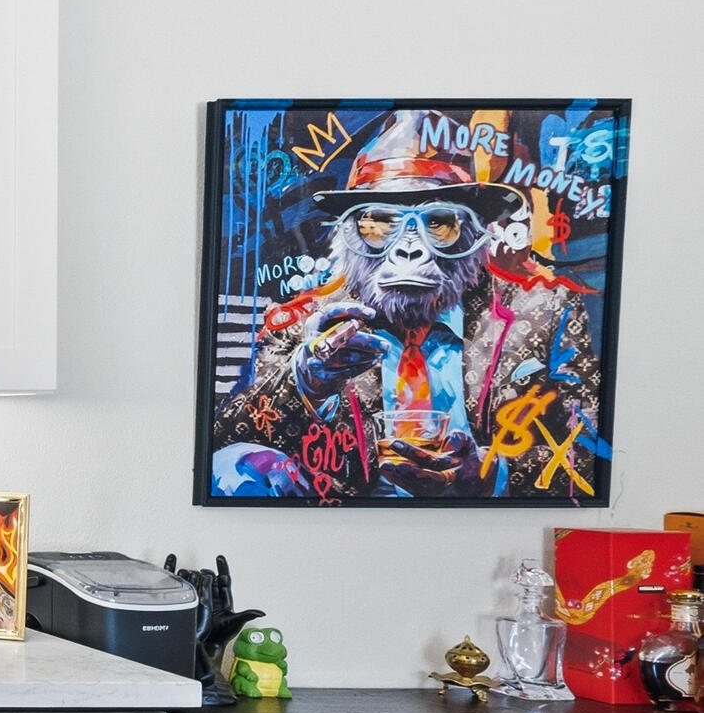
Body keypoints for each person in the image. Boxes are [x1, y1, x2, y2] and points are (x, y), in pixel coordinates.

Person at [211, 111, 604, 501]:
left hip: (484, 522)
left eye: (437, 224)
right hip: (343, 523)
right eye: (380, 224)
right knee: (234, 464)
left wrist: (488, 474)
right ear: (348, 236)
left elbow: (592, 452)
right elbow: (223, 437)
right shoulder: (306, 321)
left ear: (473, 235)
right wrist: (306, 379)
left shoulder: (543, 311)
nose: (410, 249)